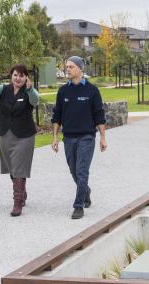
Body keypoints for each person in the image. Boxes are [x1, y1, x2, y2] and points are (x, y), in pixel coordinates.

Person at [51, 56, 107, 219]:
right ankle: (86, 191)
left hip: (87, 137)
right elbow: (57, 116)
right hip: (68, 138)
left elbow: (99, 116)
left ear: (80, 69)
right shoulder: (63, 91)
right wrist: (55, 137)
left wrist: (103, 137)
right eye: (66, 67)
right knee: (73, 170)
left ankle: (78, 205)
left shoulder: (92, 91)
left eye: (71, 67)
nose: (67, 69)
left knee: (82, 171)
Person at [0, 64, 39, 217]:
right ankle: (22, 192)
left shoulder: (29, 91)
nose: (18, 78)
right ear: (11, 76)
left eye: (21, 75)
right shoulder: (3, 89)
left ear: (26, 77)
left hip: (25, 136)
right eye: (15, 75)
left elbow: (35, 101)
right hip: (6, 134)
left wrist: (30, 89)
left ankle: (17, 202)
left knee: (19, 167)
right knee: (13, 168)